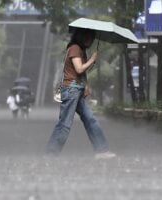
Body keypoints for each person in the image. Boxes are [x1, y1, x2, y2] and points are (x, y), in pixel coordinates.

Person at [46, 28, 116, 159]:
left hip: (77, 89)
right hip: (71, 90)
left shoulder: (81, 50)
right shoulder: (74, 48)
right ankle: (51, 153)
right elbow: (79, 69)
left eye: (92, 39)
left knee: (91, 120)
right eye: (89, 38)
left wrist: (86, 85)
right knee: (65, 123)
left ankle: (102, 150)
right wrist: (92, 60)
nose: (91, 41)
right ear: (82, 37)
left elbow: (81, 73)